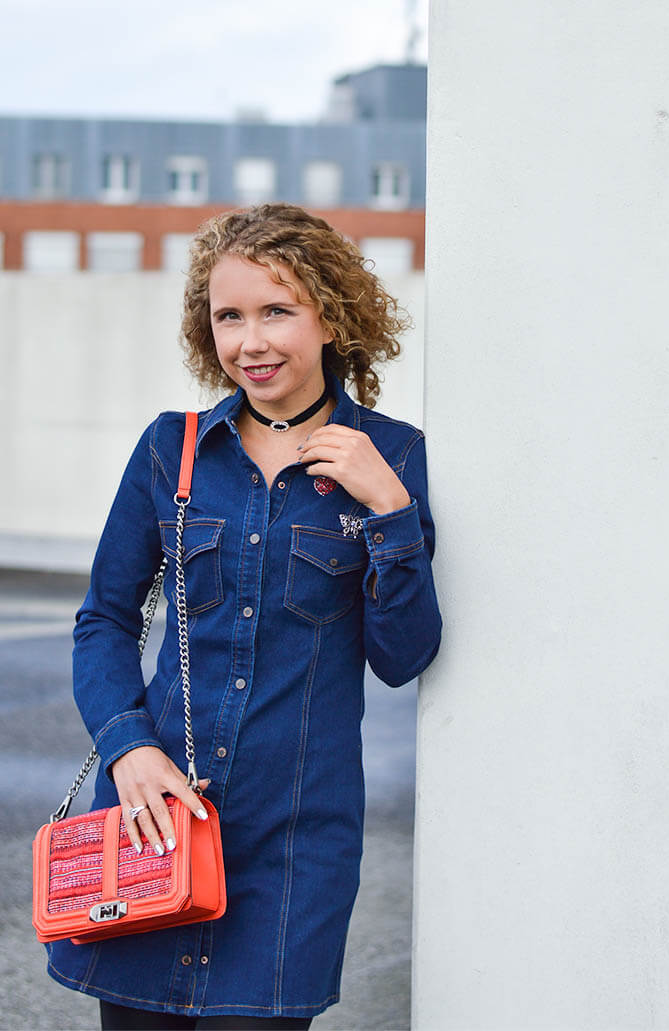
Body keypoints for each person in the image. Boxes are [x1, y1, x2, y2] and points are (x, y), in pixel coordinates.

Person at [45, 203, 442, 1030]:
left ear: (330, 314)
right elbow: (105, 621)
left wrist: (392, 512)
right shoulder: (171, 448)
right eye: (229, 316)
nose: (250, 342)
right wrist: (129, 750)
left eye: (276, 310)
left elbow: (403, 656)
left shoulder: (395, 457)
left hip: (293, 849)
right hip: (156, 820)